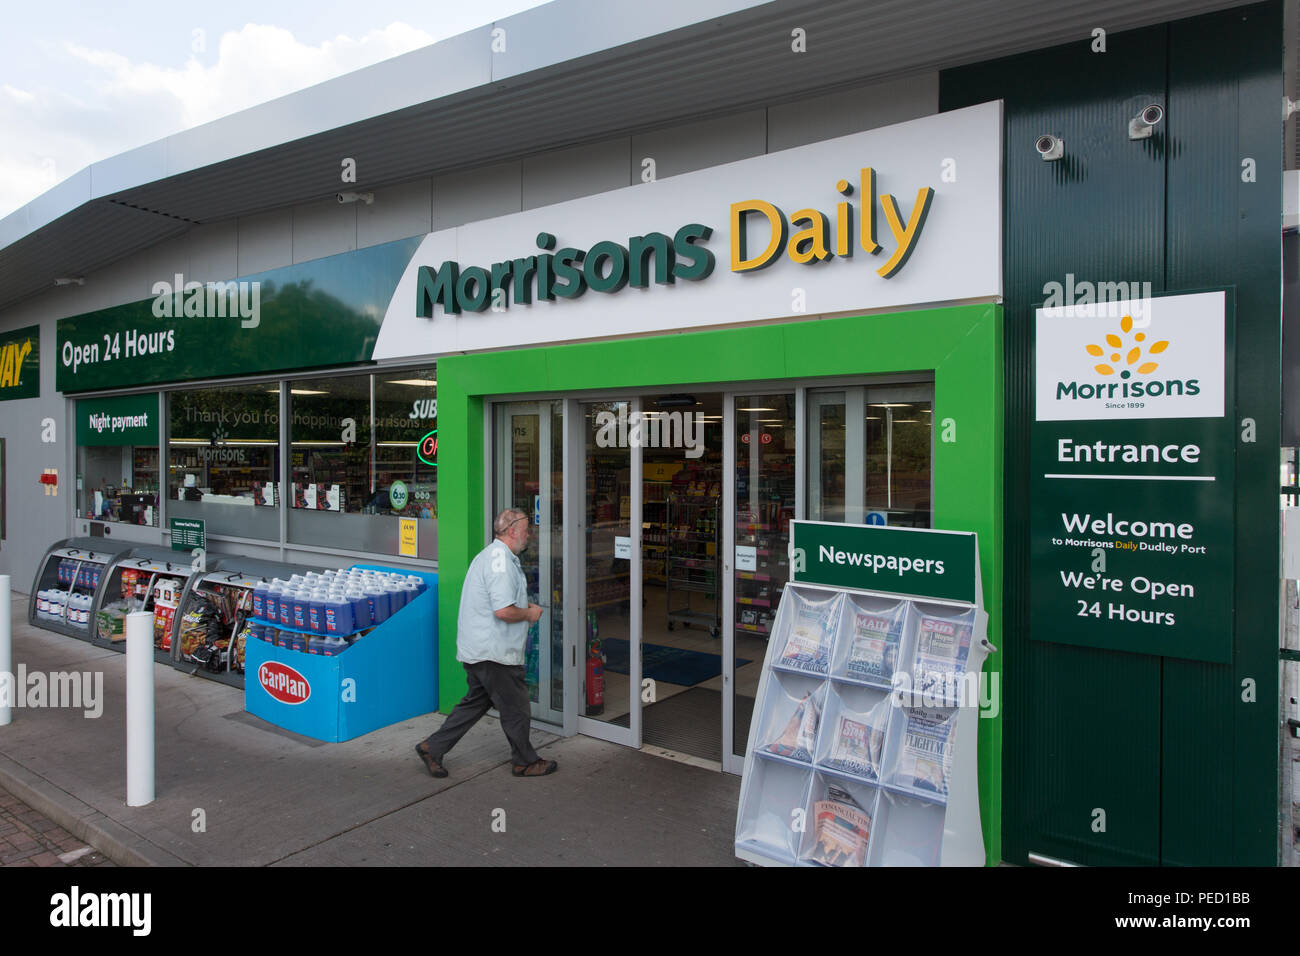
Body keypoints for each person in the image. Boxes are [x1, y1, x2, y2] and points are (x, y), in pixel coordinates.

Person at [415, 508, 558, 778]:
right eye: (527, 529)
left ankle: (432, 747)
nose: (529, 535)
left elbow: (498, 603)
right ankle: (524, 761)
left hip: (481, 649)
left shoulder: (495, 557)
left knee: (475, 704)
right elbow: (503, 611)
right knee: (516, 709)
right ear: (513, 531)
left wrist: (523, 607)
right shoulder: (500, 562)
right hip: (494, 653)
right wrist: (529, 613)